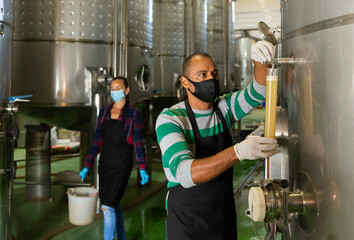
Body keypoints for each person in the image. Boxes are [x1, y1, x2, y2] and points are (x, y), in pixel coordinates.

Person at [155, 40, 278, 240]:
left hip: (222, 216)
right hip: (187, 223)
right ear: (185, 82)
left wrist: (258, 60)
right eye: (202, 75)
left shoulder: (223, 108)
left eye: (214, 74)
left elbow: (260, 90)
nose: (211, 80)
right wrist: (239, 151)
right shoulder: (170, 118)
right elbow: (185, 173)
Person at [80, 76, 150, 240]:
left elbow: (138, 143)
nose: (115, 91)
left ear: (126, 90)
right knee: (114, 204)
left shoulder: (134, 114)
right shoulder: (104, 113)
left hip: (122, 165)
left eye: (119, 88)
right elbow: (96, 141)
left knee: (107, 206)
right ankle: (122, 237)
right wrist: (87, 165)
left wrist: (142, 168)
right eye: (112, 88)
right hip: (105, 165)